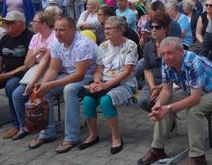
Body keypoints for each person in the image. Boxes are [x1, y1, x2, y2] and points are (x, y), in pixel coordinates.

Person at [137, 37, 212, 165]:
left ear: (181, 51)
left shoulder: (193, 62)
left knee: (194, 110)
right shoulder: (165, 62)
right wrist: (159, 105)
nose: (166, 57)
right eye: (163, 54)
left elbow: (195, 98)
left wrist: (169, 108)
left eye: (170, 53)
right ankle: (157, 149)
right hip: (194, 89)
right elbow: (166, 90)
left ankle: (198, 157)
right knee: (163, 104)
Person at [27, 17, 97, 153]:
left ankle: (72, 137)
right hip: (70, 74)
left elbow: (79, 75)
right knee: (43, 90)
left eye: (62, 30)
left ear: (73, 29)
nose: (58, 33)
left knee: (69, 90)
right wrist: (44, 85)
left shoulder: (83, 43)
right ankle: (47, 133)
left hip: (91, 75)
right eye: (56, 30)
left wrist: (51, 84)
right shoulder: (56, 42)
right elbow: (53, 69)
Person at [80, 17, 137, 154]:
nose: (106, 31)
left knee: (106, 101)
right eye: (105, 28)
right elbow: (99, 69)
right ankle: (93, 135)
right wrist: (97, 82)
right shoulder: (103, 46)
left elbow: (127, 71)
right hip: (105, 82)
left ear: (120, 30)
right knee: (88, 100)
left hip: (125, 83)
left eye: (109, 28)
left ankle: (116, 137)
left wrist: (105, 85)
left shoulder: (131, 45)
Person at [0, 11, 34, 139]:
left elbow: (27, 65)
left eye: (10, 22)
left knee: (11, 85)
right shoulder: (5, 38)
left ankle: (17, 124)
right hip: (5, 73)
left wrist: (3, 76)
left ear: (21, 24)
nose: (6, 25)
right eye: (5, 22)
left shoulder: (29, 37)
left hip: (23, 74)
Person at [11, 11, 56, 140]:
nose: (32, 23)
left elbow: (47, 63)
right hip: (35, 70)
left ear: (44, 24)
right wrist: (35, 52)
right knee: (17, 95)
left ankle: (41, 125)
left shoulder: (54, 37)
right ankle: (24, 126)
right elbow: (28, 63)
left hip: (50, 70)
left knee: (35, 93)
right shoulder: (35, 37)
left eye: (35, 21)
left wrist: (32, 82)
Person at [137, 13, 170, 112]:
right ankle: (163, 118)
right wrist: (152, 87)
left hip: (170, 82)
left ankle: (165, 120)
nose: (154, 30)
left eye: (157, 27)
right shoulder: (148, 46)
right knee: (143, 101)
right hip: (153, 81)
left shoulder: (172, 45)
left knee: (159, 101)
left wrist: (161, 87)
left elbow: (177, 72)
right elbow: (147, 69)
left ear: (165, 29)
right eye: (151, 27)